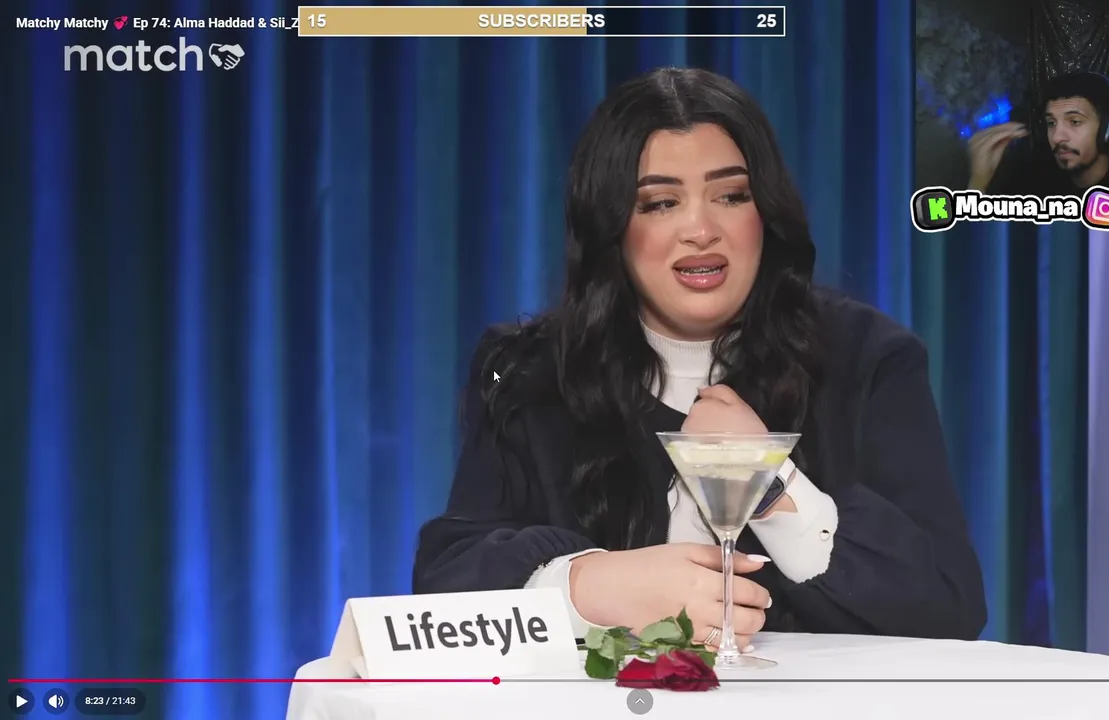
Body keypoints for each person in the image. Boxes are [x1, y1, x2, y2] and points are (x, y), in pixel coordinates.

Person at [413, 67, 987, 648]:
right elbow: (442, 595)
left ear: (765, 212)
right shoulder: (528, 372)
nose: (701, 230)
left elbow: (949, 610)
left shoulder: (868, 358)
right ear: (611, 225)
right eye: (660, 203)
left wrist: (768, 481)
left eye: (731, 196)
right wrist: (588, 587)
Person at [967, 72, 1109, 197]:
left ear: (1108, 130)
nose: (1057, 137)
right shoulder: (1033, 184)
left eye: (1074, 122)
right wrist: (978, 182)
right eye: (1051, 123)